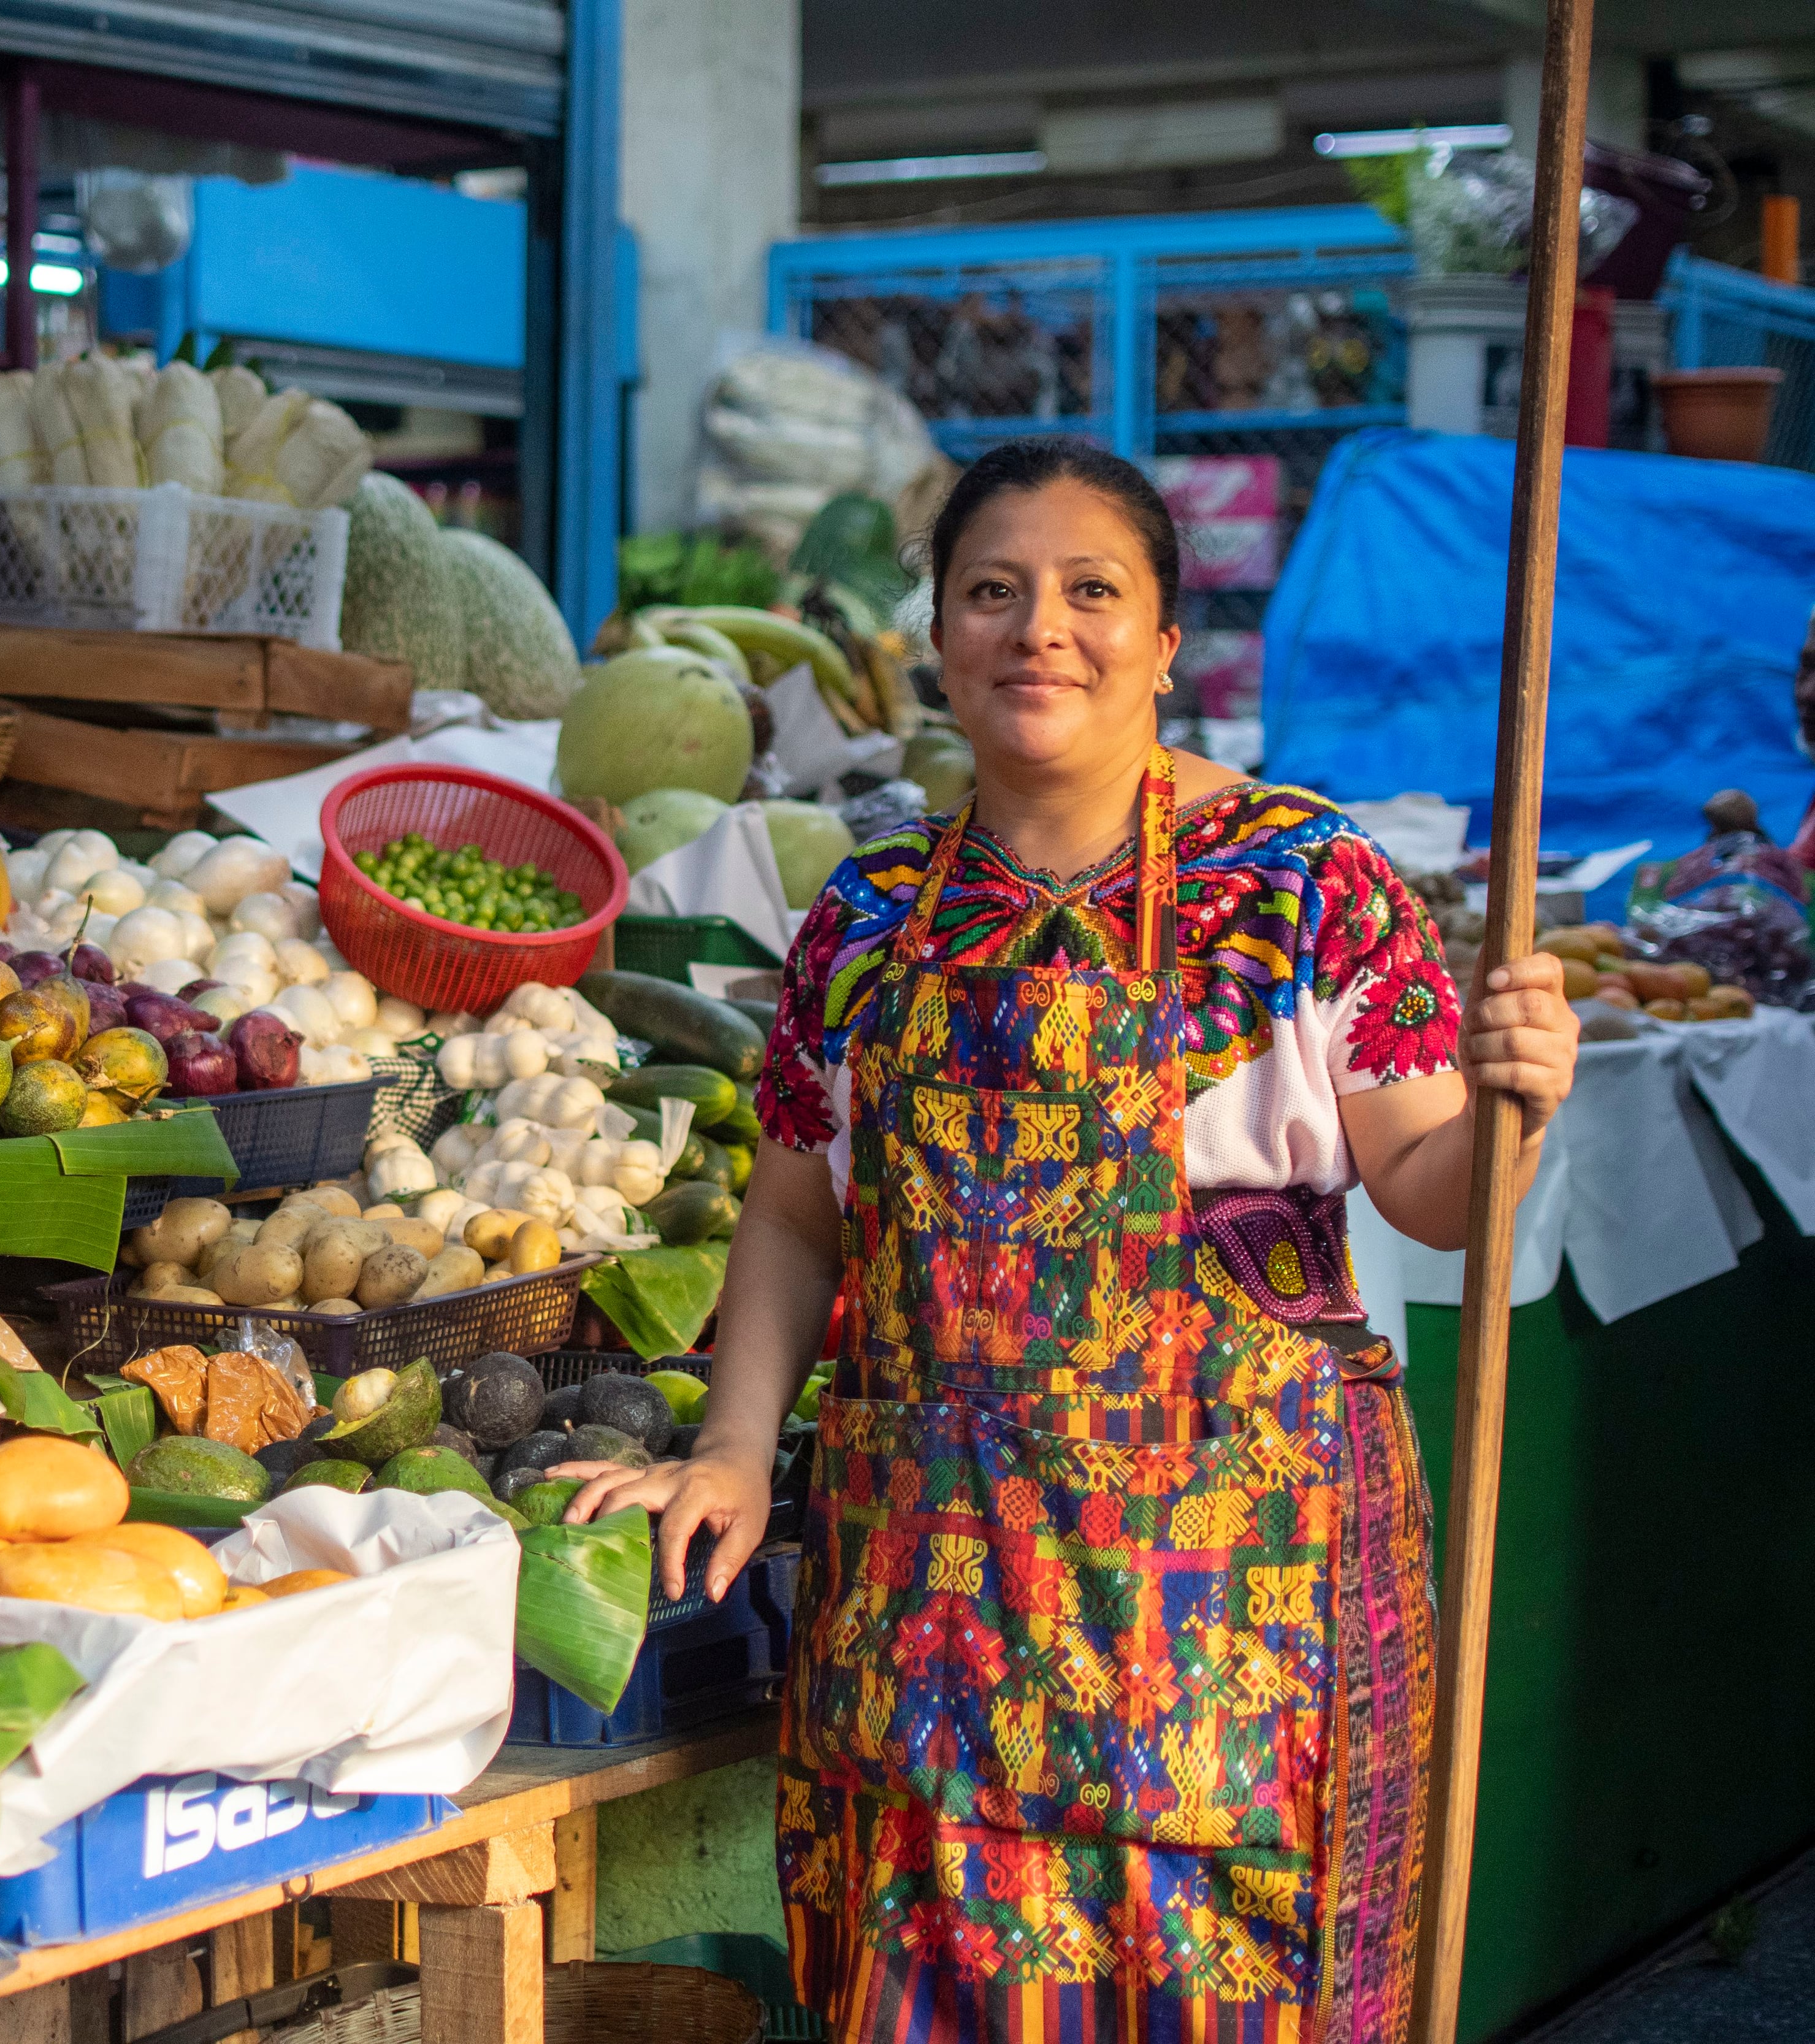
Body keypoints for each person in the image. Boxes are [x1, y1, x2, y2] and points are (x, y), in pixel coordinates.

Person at [564, 440, 1581, 2040]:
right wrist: (733, 1448)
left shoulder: (1310, 890)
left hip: (1237, 1624)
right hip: (929, 1624)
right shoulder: (867, 917)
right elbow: (789, 1210)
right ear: (942, 639)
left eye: (1091, 591)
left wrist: (1517, 1108)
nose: (1042, 628)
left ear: (1166, 643)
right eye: (994, 590)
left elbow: (1430, 1189)